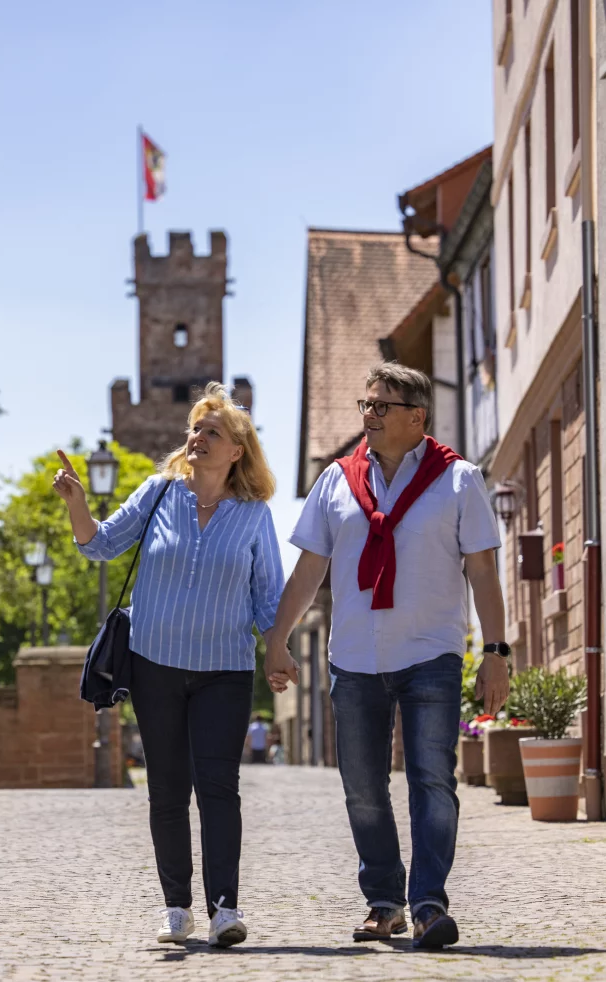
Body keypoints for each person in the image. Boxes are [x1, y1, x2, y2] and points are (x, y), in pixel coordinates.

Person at [265, 364, 510, 950]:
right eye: (365, 404)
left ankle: (427, 904)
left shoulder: (459, 480)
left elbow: (482, 570)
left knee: (432, 780)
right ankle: (383, 902)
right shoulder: (336, 481)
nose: (368, 415)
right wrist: (277, 638)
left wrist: (497, 651)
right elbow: (308, 569)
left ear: (416, 417)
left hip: (431, 653)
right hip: (353, 657)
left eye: (381, 406)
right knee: (363, 788)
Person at [53, 383, 284, 949]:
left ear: (237, 450)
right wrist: (77, 503)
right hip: (154, 665)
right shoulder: (159, 493)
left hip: (224, 671)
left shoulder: (254, 515)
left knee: (218, 788)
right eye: (195, 429)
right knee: (166, 791)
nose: (198, 438)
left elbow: (269, 599)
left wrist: (278, 649)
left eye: (212, 432)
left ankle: (224, 910)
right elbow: (99, 545)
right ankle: (177, 908)